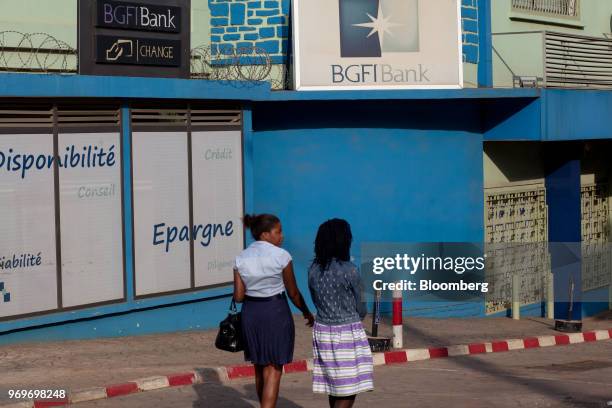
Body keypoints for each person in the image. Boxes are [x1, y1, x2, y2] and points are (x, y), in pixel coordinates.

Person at [233, 213, 314, 408]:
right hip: (275, 311)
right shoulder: (282, 256)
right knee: (274, 368)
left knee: (259, 366)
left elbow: (238, 296)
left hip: (251, 313)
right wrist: (306, 312)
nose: (282, 236)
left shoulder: (241, 258)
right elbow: (293, 292)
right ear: (265, 234)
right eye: (278, 231)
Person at [308, 219, 374, 408]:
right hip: (347, 332)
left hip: (322, 331)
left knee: (335, 386)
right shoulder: (350, 270)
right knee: (348, 388)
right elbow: (362, 307)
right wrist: (355, 316)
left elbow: (314, 298)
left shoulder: (313, 270)